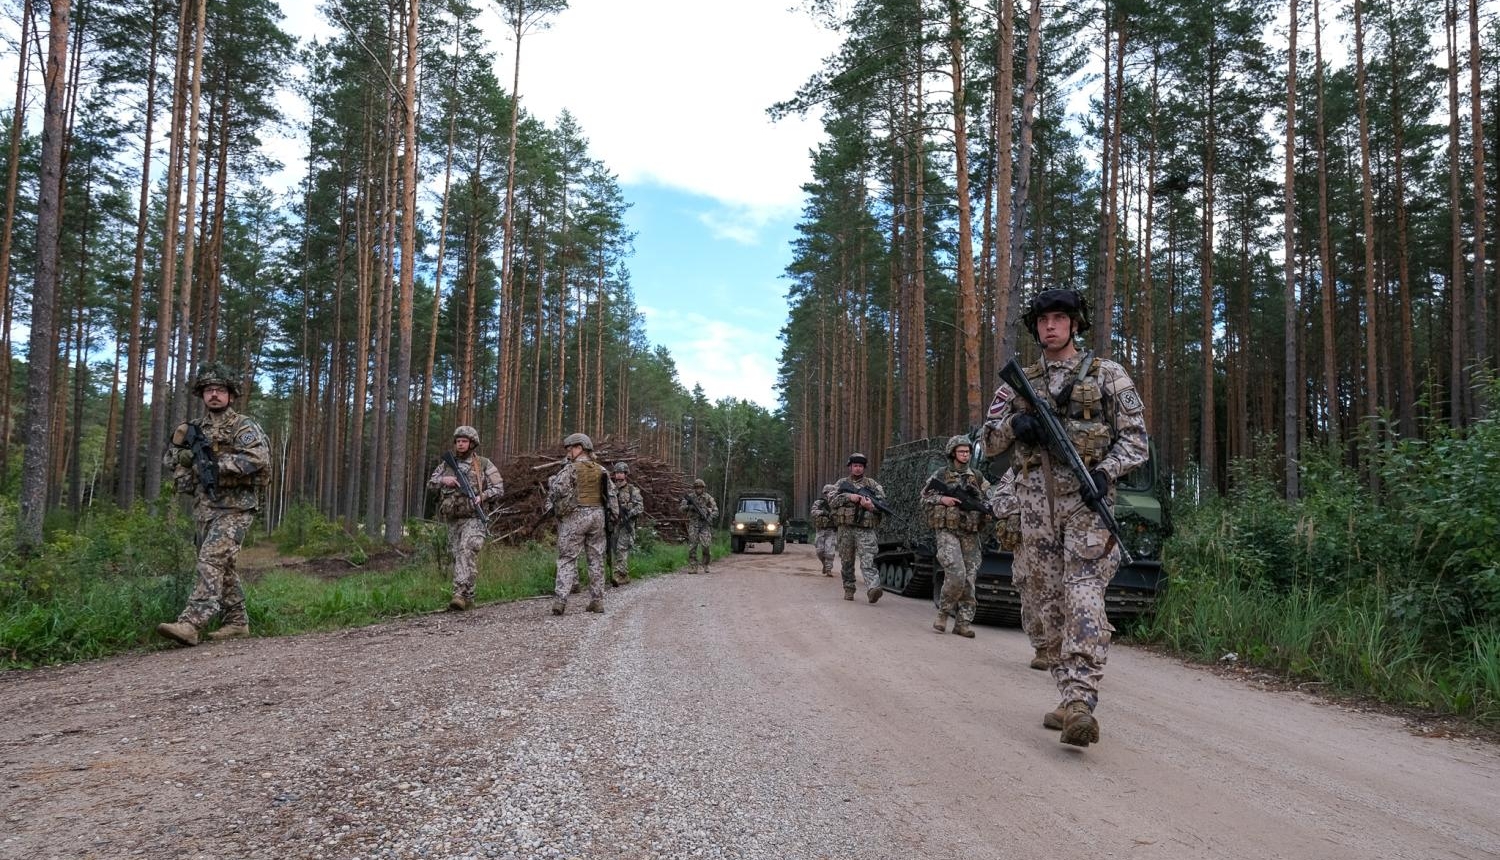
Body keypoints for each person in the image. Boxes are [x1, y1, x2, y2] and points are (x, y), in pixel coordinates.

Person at [982, 288, 1148, 748]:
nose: (1050, 326)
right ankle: (1066, 691)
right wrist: (1014, 426)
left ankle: (1080, 702)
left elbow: (1136, 441)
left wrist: (1105, 472)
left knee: (1083, 598)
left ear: (1075, 324)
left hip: (1085, 506)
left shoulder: (1107, 375)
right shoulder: (1018, 384)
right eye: (1043, 320)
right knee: (1043, 611)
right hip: (1034, 511)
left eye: (1060, 318)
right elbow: (986, 443)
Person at [156, 362, 271, 647]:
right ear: (202, 395)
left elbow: (259, 459)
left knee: (210, 559)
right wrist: (183, 461)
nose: (214, 395)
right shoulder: (193, 429)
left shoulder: (243, 426)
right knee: (222, 565)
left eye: (220, 390)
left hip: (237, 506)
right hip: (206, 507)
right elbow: (171, 458)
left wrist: (217, 466)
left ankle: (192, 623)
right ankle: (237, 622)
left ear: (230, 395)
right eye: (209, 390)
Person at [920, 435, 991, 638]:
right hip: (947, 532)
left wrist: (986, 502)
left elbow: (990, 495)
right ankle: (943, 613)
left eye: (967, 451)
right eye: (961, 451)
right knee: (956, 573)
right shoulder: (941, 474)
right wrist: (943, 499)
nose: (965, 455)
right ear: (953, 453)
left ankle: (963, 622)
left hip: (970, 533)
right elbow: (924, 497)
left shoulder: (976, 476)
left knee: (969, 578)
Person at [427, 425, 504, 611]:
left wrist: (482, 496)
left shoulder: (483, 464)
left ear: (472, 443)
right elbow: (431, 484)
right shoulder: (446, 464)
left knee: (466, 551)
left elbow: (499, 488)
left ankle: (458, 593)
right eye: (458, 441)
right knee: (458, 556)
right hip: (453, 519)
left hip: (474, 518)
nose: (460, 444)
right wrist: (443, 480)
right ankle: (469, 596)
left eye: (464, 441)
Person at [548, 433, 618, 615]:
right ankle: (597, 601)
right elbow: (611, 496)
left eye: (570, 448)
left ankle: (560, 601)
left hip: (576, 516)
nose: (568, 452)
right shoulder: (602, 470)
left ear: (579, 448)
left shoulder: (570, 469)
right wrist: (613, 517)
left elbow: (557, 491)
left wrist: (551, 485)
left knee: (567, 558)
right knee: (596, 559)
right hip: (597, 516)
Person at [991, 466, 1046, 669]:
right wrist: (1029, 501)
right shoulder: (1019, 468)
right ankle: (1042, 648)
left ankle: (1070, 651)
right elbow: (998, 503)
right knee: (1030, 595)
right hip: (1028, 545)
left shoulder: (1070, 464)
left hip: (1065, 543)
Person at [825, 453, 886, 603]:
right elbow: (831, 501)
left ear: (864, 468)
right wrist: (849, 497)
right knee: (847, 561)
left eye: (860, 466)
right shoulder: (841, 483)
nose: (858, 469)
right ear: (850, 467)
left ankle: (873, 588)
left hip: (865, 529)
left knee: (868, 559)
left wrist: (870, 506)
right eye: (855, 466)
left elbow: (882, 504)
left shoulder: (872, 485)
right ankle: (849, 588)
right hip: (845, 529)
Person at [609, 461, 645, 585]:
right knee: (614, 548)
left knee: (621, 548)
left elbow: (640, 507)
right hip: (613, 524)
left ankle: (621, 575)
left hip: (626, 524)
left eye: (621, 473)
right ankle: (617, 572)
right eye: (616, 473)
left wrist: (628, 514)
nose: (618, 475)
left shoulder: (632, 490)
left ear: (625, 474)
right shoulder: (611, 490)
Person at [679, 478, 718, 574]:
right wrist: (689, 507)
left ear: (703, 488)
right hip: (693, 524)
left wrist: (709, 516)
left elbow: (716, 511)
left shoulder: (708, 498)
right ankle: (693, 566)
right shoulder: (690, 498)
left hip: (704, 525)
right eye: (697, 487)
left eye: (700, 487)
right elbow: (681, 509)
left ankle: (705, 564)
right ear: (694, 488)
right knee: (692, 546)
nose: (698, 489)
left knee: (706, 546)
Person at [810, 484, 838, 577]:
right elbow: (813, 512)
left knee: (830, 551)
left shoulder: (837, 503)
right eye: (826, 492)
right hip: (820, 530)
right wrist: (823, 512)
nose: (828, 494)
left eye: (829, 492)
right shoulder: (820, 502)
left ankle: (829, 569)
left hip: (831, 530)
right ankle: (824, 565)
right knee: (819, 551)